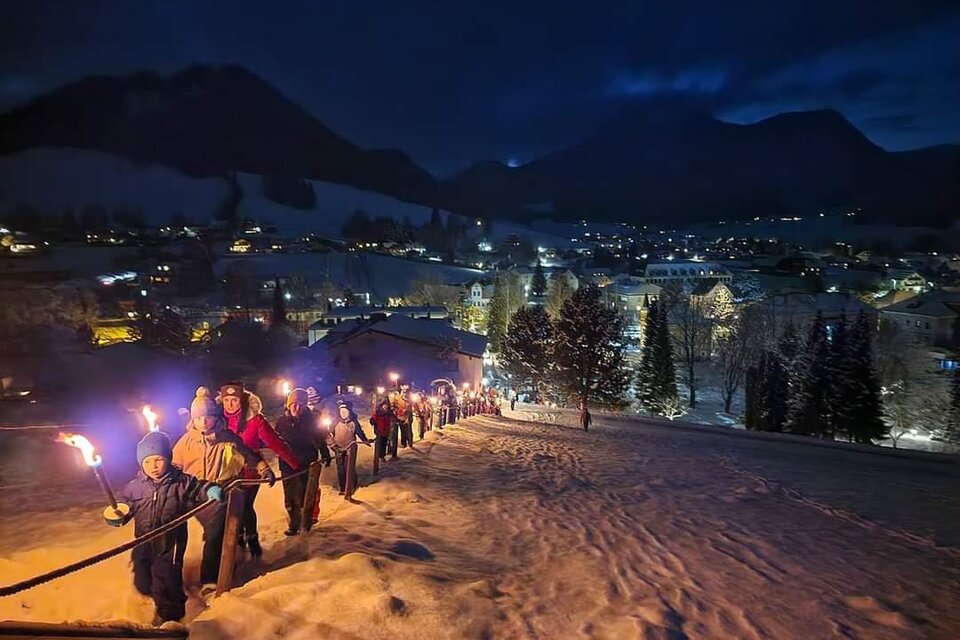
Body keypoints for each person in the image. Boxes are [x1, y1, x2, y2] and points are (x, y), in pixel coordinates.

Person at [107, 430, 224, 625]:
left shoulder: (181, 482)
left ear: (168, 459)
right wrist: (118, 515)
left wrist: (210, 489)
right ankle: (155, 594)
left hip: (170, 544)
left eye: (158, 460)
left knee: (167, 577)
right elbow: (125, 505)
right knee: (142, 578)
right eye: (147, 462)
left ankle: (171, 616)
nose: (153, 466)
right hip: (143, 541)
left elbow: (198, 487)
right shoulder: (135, 486)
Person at [172, 387, 275, 596]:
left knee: (216, 531)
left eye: (208, 417)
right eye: (199, 418)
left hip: (221, 491)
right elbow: (174, 465)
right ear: (193, 419)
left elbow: (247, 455)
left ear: (215, 417)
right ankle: (172, 577)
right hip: (194, 493)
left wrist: (263, 468)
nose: (204, 422)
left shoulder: (227, 437)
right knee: (177, 528)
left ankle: (210, 578)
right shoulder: (186, 441)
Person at [220, 382, 301, 558]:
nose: (230, 404)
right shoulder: (217, 420)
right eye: (226, 400)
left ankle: (252, 541)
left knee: (245, 506)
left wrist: (294, 463)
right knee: (230, 510)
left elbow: (275, 442)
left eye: (234, 400)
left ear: (241, 401)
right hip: (225, 473)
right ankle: (237, 543)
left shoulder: (254, 419)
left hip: (251, 471)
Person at [274, 388, 330, 535]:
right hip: (287, 465)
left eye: (301, 404)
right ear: (288, 404)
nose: (297, 407)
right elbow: (274, 440)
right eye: (294, 404)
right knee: (290, 496)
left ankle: (306, 522)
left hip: (307, 463)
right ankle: (294, 524)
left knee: (305, 494)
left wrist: (325, 453)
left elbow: (320, 439)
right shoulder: (282, 422)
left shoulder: (312, 421)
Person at [327, 399, 371, 499]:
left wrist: (365, 440)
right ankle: (343, 488)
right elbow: (330, 433)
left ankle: (351, 485)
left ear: (349, 412)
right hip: (338, 448)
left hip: (350, 448)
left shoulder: (353, 423)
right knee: (341, 469)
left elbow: (359, 432)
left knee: (349, 467)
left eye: (345, 411)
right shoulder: (335, 422)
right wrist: (333, 444)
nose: (343, 414)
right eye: (341, 412)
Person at [369, 398, 394, 467]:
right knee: (379, 444)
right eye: (384, 406)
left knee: (384, 444)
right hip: (379, 431)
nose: (385, 407)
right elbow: (373, 420)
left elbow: (393, 418)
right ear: (381, 406)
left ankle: (382, 455)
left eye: (386, 406)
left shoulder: (389, 413)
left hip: (386, 431)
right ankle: (378, 456)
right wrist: (372, 421)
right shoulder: (378, 412)